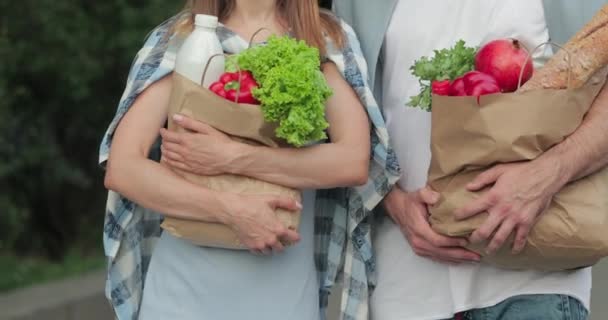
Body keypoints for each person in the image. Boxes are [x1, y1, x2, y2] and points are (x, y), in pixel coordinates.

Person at [99, 0, 399, 319]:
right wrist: (231, 211)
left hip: (286, 300)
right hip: (181, 298)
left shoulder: (324, 39)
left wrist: (233, 157)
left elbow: (351, 162)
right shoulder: (182, 37)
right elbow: (124, 169)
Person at [332, 0, 608, 319]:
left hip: (533, 280)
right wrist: (393, 202)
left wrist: (548, 174)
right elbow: (345, 119)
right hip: (406, 280)